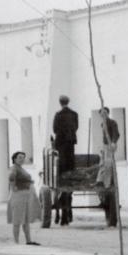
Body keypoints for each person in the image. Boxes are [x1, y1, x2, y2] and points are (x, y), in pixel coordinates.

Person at [52, 95, 78, 226]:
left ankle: (63, 216)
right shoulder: (74, 114)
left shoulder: (58, 115)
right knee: (70, 162)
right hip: (71, 144)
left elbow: (55, 129)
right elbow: (76, 127)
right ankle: (70, 172)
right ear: (68, 102)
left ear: (60, 103)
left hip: (61, 144)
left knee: (61, 164)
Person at [7, 150, 42, 246]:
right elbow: (11, 177)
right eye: (19, 158)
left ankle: (28, 240)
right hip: (18, 196)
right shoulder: (14, 168)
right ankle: (16, 242)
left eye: (23, 158)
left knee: (25, 220)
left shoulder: (20, 168)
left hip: (24, 196)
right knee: (17, 219)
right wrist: (13, 187)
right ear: (14, 159)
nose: (22, 159)